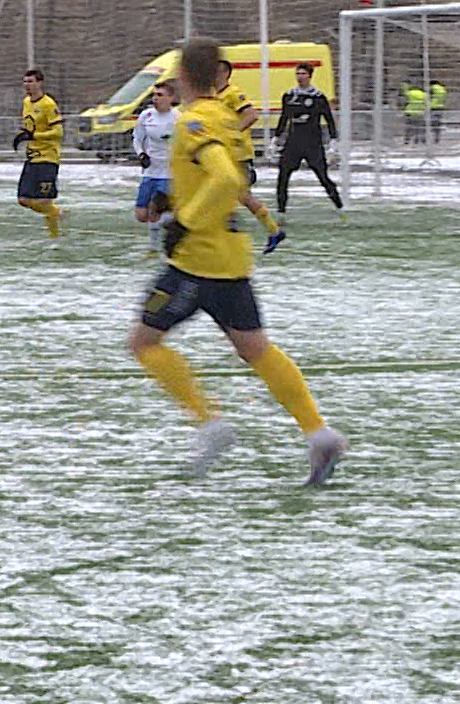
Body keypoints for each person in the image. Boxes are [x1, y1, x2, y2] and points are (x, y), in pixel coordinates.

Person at [127, 38, 349, 486]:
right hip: (230, 258)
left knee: (143, 342)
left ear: (184, 77)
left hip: (197, 261)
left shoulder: (193, 122)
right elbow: (221, 176)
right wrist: (177, 198)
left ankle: (210, 426)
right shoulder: (225, 119)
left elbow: (226, 178)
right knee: (255, 349)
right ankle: (319, 433)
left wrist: (184, 220)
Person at [214, 59, 283, 253]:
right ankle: (271, 231)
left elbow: (251, 115)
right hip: (223, 154)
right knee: (233, 195)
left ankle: (233, 233)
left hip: (238, 154)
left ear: (225, 73)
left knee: (238, 196)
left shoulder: (233, 93)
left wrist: (232, 133)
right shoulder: (213, 96)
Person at [275, 63, 344, 219]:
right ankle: (281, 211)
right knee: (283, 175)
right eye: (298, 73)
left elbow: (329, 119)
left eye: (303, 73)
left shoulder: (318, 97)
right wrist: (276, 138)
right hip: (293, 143)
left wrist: (333, 140)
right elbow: (284, 118)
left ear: (310, 76)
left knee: (322, 176)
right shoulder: (289, 96)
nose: (300, 76)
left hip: (312, 143)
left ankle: (339, 206)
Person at [13, 68, 65, 240]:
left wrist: (35, 136)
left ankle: (55, 238)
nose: (27, 85)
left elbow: (58, 132)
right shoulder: (27, 102)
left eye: (31, 81)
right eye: (25, 81)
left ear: (40, 83)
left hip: (47, 158)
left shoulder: (48, 104)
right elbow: (29, 127)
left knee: (45, 201)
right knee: (23, 199)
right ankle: (56, 214)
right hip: (32, 157)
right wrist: (22, 136)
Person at [132, 82, 177, 254]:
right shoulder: (146, 116)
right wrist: (141, 155)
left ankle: (154, 247)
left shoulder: (178, 118)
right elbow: (137, 139)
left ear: (170, 98)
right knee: (141, 215)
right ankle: (174, 221)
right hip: (150, 172)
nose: (155, 98)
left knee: (157, 209)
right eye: (154, 95)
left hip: (169, 173)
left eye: (160, 95)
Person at [427, 78, 447, 143]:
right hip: (440, 107)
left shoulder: (432, 88)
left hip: (433, 107)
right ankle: (437, 137)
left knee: (430, 122)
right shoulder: (442, 89)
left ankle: (431, 137)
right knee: (438, 123)